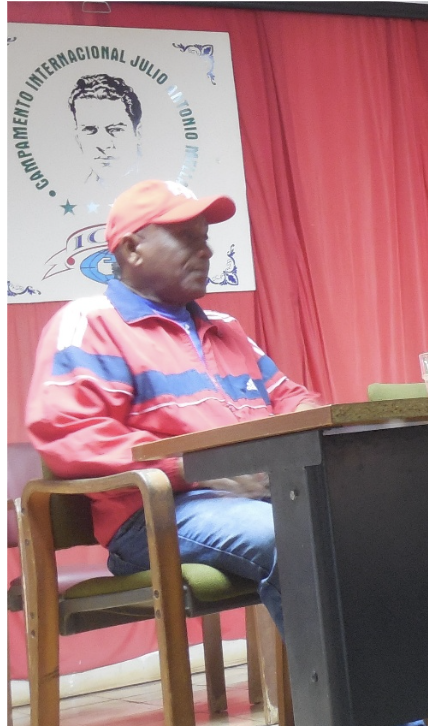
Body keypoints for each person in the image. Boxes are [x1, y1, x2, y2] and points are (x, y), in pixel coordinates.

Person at [26, 179, 322, 634]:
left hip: (260, 498)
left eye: (205, 238)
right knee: (297, 535)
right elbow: (71, 432)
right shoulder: (90, 323)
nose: (205, 251)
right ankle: (350, 683)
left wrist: (302, 430)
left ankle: (399, 673)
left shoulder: (226, 328)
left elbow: (292, 399)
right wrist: (198, 467)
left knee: (366, 518)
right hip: (154, 516)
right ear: (132, 249)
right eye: (186, 238)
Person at [69, 73, 143, 189]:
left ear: (138, 134)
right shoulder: (77, 189)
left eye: (115, 130)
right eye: (90, 130)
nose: (103, 144)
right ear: (78, 138)